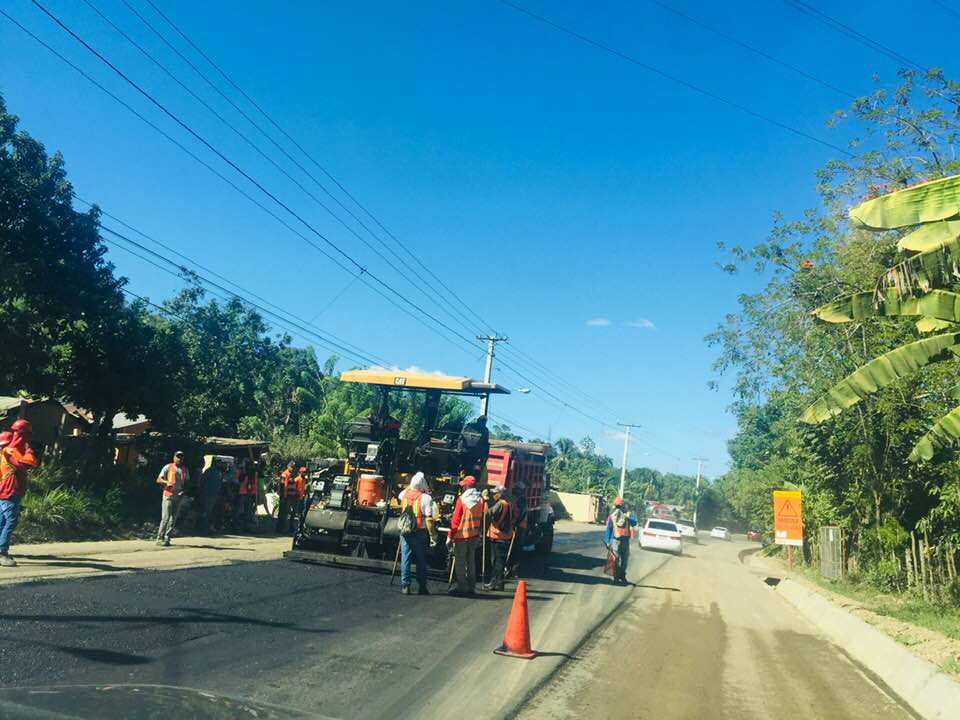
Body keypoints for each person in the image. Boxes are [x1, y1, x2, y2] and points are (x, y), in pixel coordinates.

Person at [0, 421, 39, 567]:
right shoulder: (10, 451)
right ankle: (2, 552)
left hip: (6, 491)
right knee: (11, 521)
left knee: (3, 521)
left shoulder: (7, 451)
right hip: (10, 491)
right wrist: (29, 451)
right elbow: (28, 464)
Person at [397, 472, 437, 595]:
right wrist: (433, 535)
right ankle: (422, 586)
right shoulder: (426, 498)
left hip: (405, 531)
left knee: (405, 558)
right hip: (420, 532)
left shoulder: (403, 494)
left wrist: (411, 485)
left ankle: (405, 586)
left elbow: (403, 493)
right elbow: (429, 519)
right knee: (421, 560)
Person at [446, 475, 484, 596]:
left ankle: (462, 587)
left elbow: (455, 520)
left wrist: (450, 536)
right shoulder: (480, 499)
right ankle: (471, 586)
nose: (462, 487)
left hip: (461, 535)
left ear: (467, 486)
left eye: (463, 485)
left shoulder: (462, 500)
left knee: (460, 562)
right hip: (474, 535)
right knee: (471, 560)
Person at [483, 484, 514, 591]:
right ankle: (497, 583)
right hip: (503, 536)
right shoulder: (507, 504)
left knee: (496, 561)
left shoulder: (501, 504)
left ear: (500, 494)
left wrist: (485, 501)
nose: (493, 495)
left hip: (498, 536)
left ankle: (496, 583)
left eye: (495, 493)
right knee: (499, 561)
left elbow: (488, 513)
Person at [156, 450, 189, 546]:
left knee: (173, 519)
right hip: (168, 494)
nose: (179, 459)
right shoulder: (168, 467)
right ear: (174, 457)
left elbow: (187, 483)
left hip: (178, 496)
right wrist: (166, 482)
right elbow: (158, 479)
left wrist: (183, 491)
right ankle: (159, 538)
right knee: (166, 517)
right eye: (177, 457)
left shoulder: (184, 469)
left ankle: (167, 538)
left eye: (181, 457)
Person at [604, 497, 637, 585]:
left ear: (623, 506)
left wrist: (627, 518)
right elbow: (609, 529)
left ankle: (622, 575)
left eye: (620, 506)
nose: (618, 508)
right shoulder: (612, 516)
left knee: (625, 560)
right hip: (615, 540)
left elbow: (634, 523)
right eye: (617, 506)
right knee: (616, 559)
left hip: (625, 540)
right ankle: (616, 576)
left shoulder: (628, 514)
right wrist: (607, 541)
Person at [199, 456, 225, 535]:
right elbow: (202, 481)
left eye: (220, 462)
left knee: (213, 512)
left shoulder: (219, 472)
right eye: (218, 462)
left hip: (215, 495)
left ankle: (211, 527)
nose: (219, 463)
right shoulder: (209, 471)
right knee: (207, 512)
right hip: (208, 495)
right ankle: (204, 529)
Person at [238, 458, 258, 533]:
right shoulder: (242, 472)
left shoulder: (250, 473)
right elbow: (241, 481)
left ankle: (246, 526)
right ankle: (240, 527)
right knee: (241, 511)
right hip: (242, 493)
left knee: (247, 511)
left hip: (247, 493)